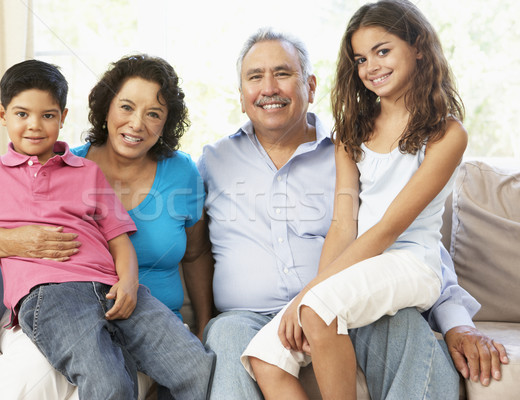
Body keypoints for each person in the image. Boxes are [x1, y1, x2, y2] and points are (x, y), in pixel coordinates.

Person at [197, 26, 508, 399]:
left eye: (283, 73)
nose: (269, 88)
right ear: (241, 94)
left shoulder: (352, 153)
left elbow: (409, 243)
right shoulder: (210, 162)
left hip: (350, 314)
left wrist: (456, 322)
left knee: (406, 325)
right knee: (228, 336)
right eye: (255, 77)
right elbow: (190, 250)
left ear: (311, 86)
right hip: (243, 317)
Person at [0, 59, 213, 400]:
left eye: (47, 115)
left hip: (113, 289)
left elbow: (120, 239)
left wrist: (129, 281)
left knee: (198, 368)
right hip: (52, 295)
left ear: (62, 116)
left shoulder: (87, 171)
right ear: (2, 114)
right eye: (21, 114)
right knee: (109, 382)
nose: (34, 125)